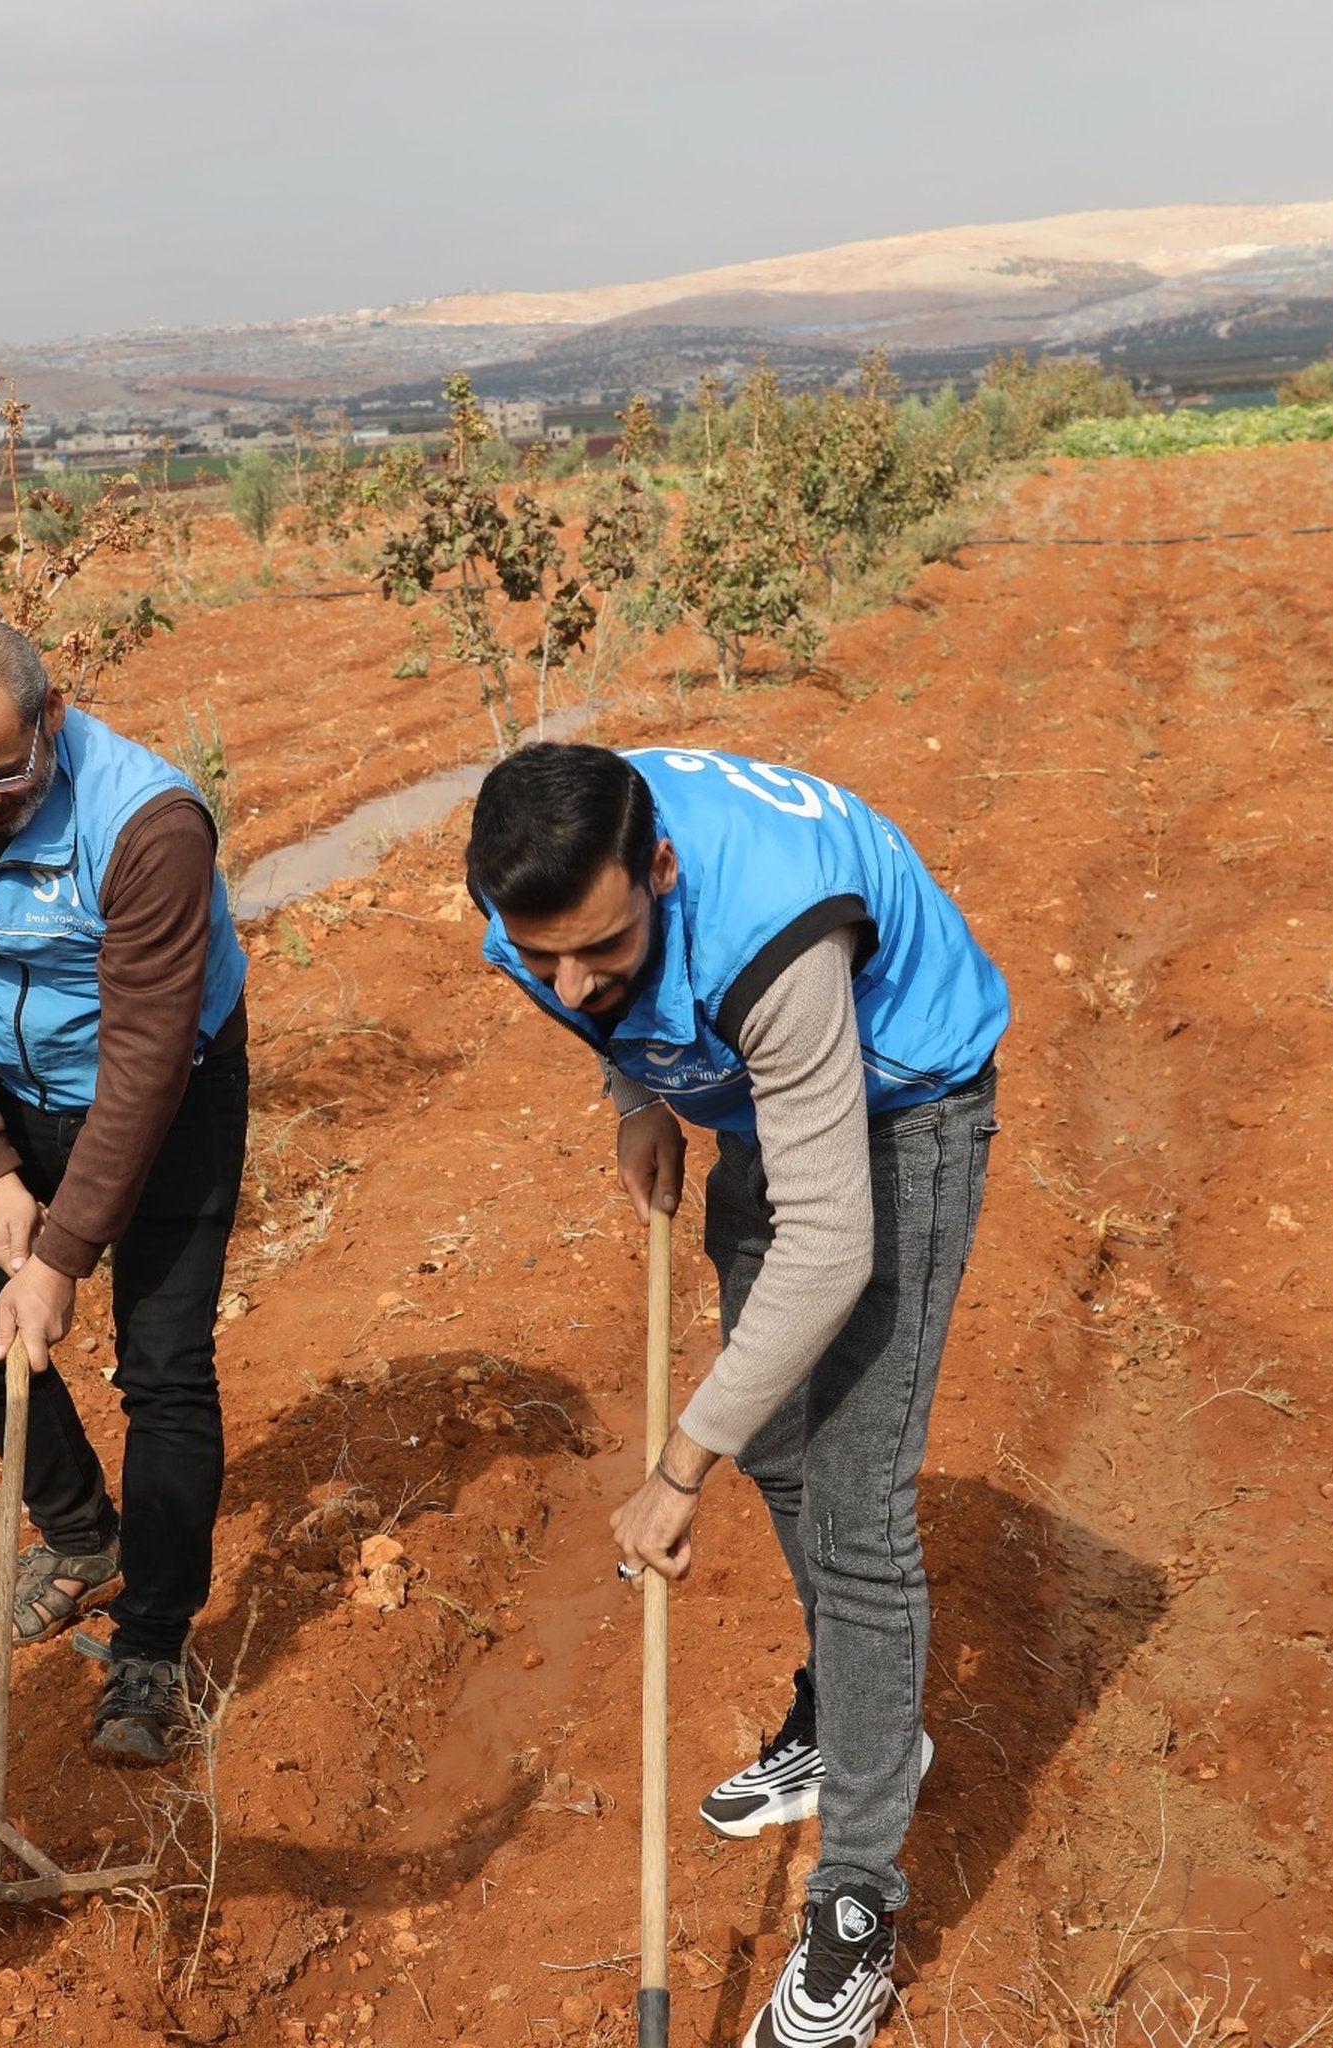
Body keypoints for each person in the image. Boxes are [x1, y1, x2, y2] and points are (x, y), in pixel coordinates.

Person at [466, 741, 1006, 2048]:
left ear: (659, 867)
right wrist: (634, 1086)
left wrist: (673, 1465)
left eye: (603, 950)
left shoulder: (776, 933)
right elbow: (591, 988)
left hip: (898, 1101)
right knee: (773, 1430)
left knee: (860, 1516)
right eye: (547, 962)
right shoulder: (537, 912)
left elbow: (833, 1242)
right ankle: (863, 1713)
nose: (574, 983)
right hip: (765, 1102)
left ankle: (859, 1912)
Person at [0, 616, 248, 1764]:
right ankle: (83, 1537)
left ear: (52, 716)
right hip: (7, 1090)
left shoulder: (149, 823)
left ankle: (152, 1640)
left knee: (163, 1368)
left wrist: (65, 1250)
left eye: (3, 774)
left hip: (168, 1086)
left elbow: (148, 1059)